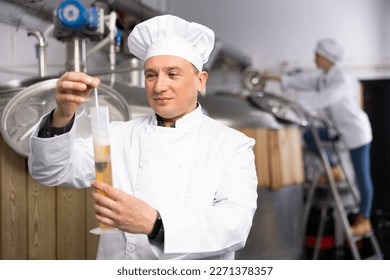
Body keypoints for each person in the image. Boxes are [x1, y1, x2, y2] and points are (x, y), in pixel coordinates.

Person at [28, 14, 258, 260]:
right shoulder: (119, 135)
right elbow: (50, 171)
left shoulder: (231, 145)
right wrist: (63, 113)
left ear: (200, 81)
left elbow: (234, 226)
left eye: (172, 74)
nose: (159, 86)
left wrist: (154, 224)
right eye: (151, 75)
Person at [262, 38, 373, 236]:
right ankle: (334, 168)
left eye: (317, 56)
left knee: (362, 177)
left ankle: (364, 219)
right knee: (309, 136)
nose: (315, 59)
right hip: (339, 129)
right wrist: (271, 77)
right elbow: (302, 82)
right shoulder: (324, 77)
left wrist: (296, 107)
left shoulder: (342, 81)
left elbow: (326, 98)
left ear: (327, 58)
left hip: (357, 132)